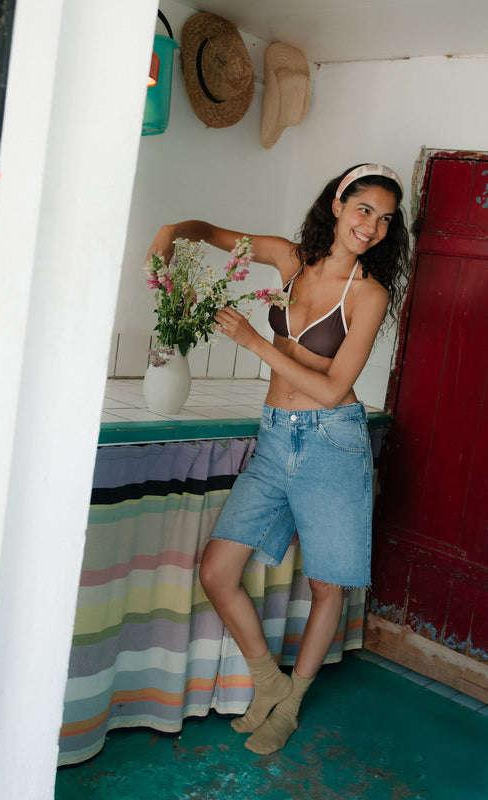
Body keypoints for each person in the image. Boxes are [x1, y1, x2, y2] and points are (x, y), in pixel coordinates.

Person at [146, 163, 410, 754]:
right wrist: (171, 230)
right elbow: (212, 234)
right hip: (273, 439)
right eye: (364, 209)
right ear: (338, 204)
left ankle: (290, 705)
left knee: (326, 587)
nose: (372, 226)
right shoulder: (289, 261)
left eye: (386, 219)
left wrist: (253, 342)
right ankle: (268, 680)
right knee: (217, 572)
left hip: (332, 442)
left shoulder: (368, 293)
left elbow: (332, 389)